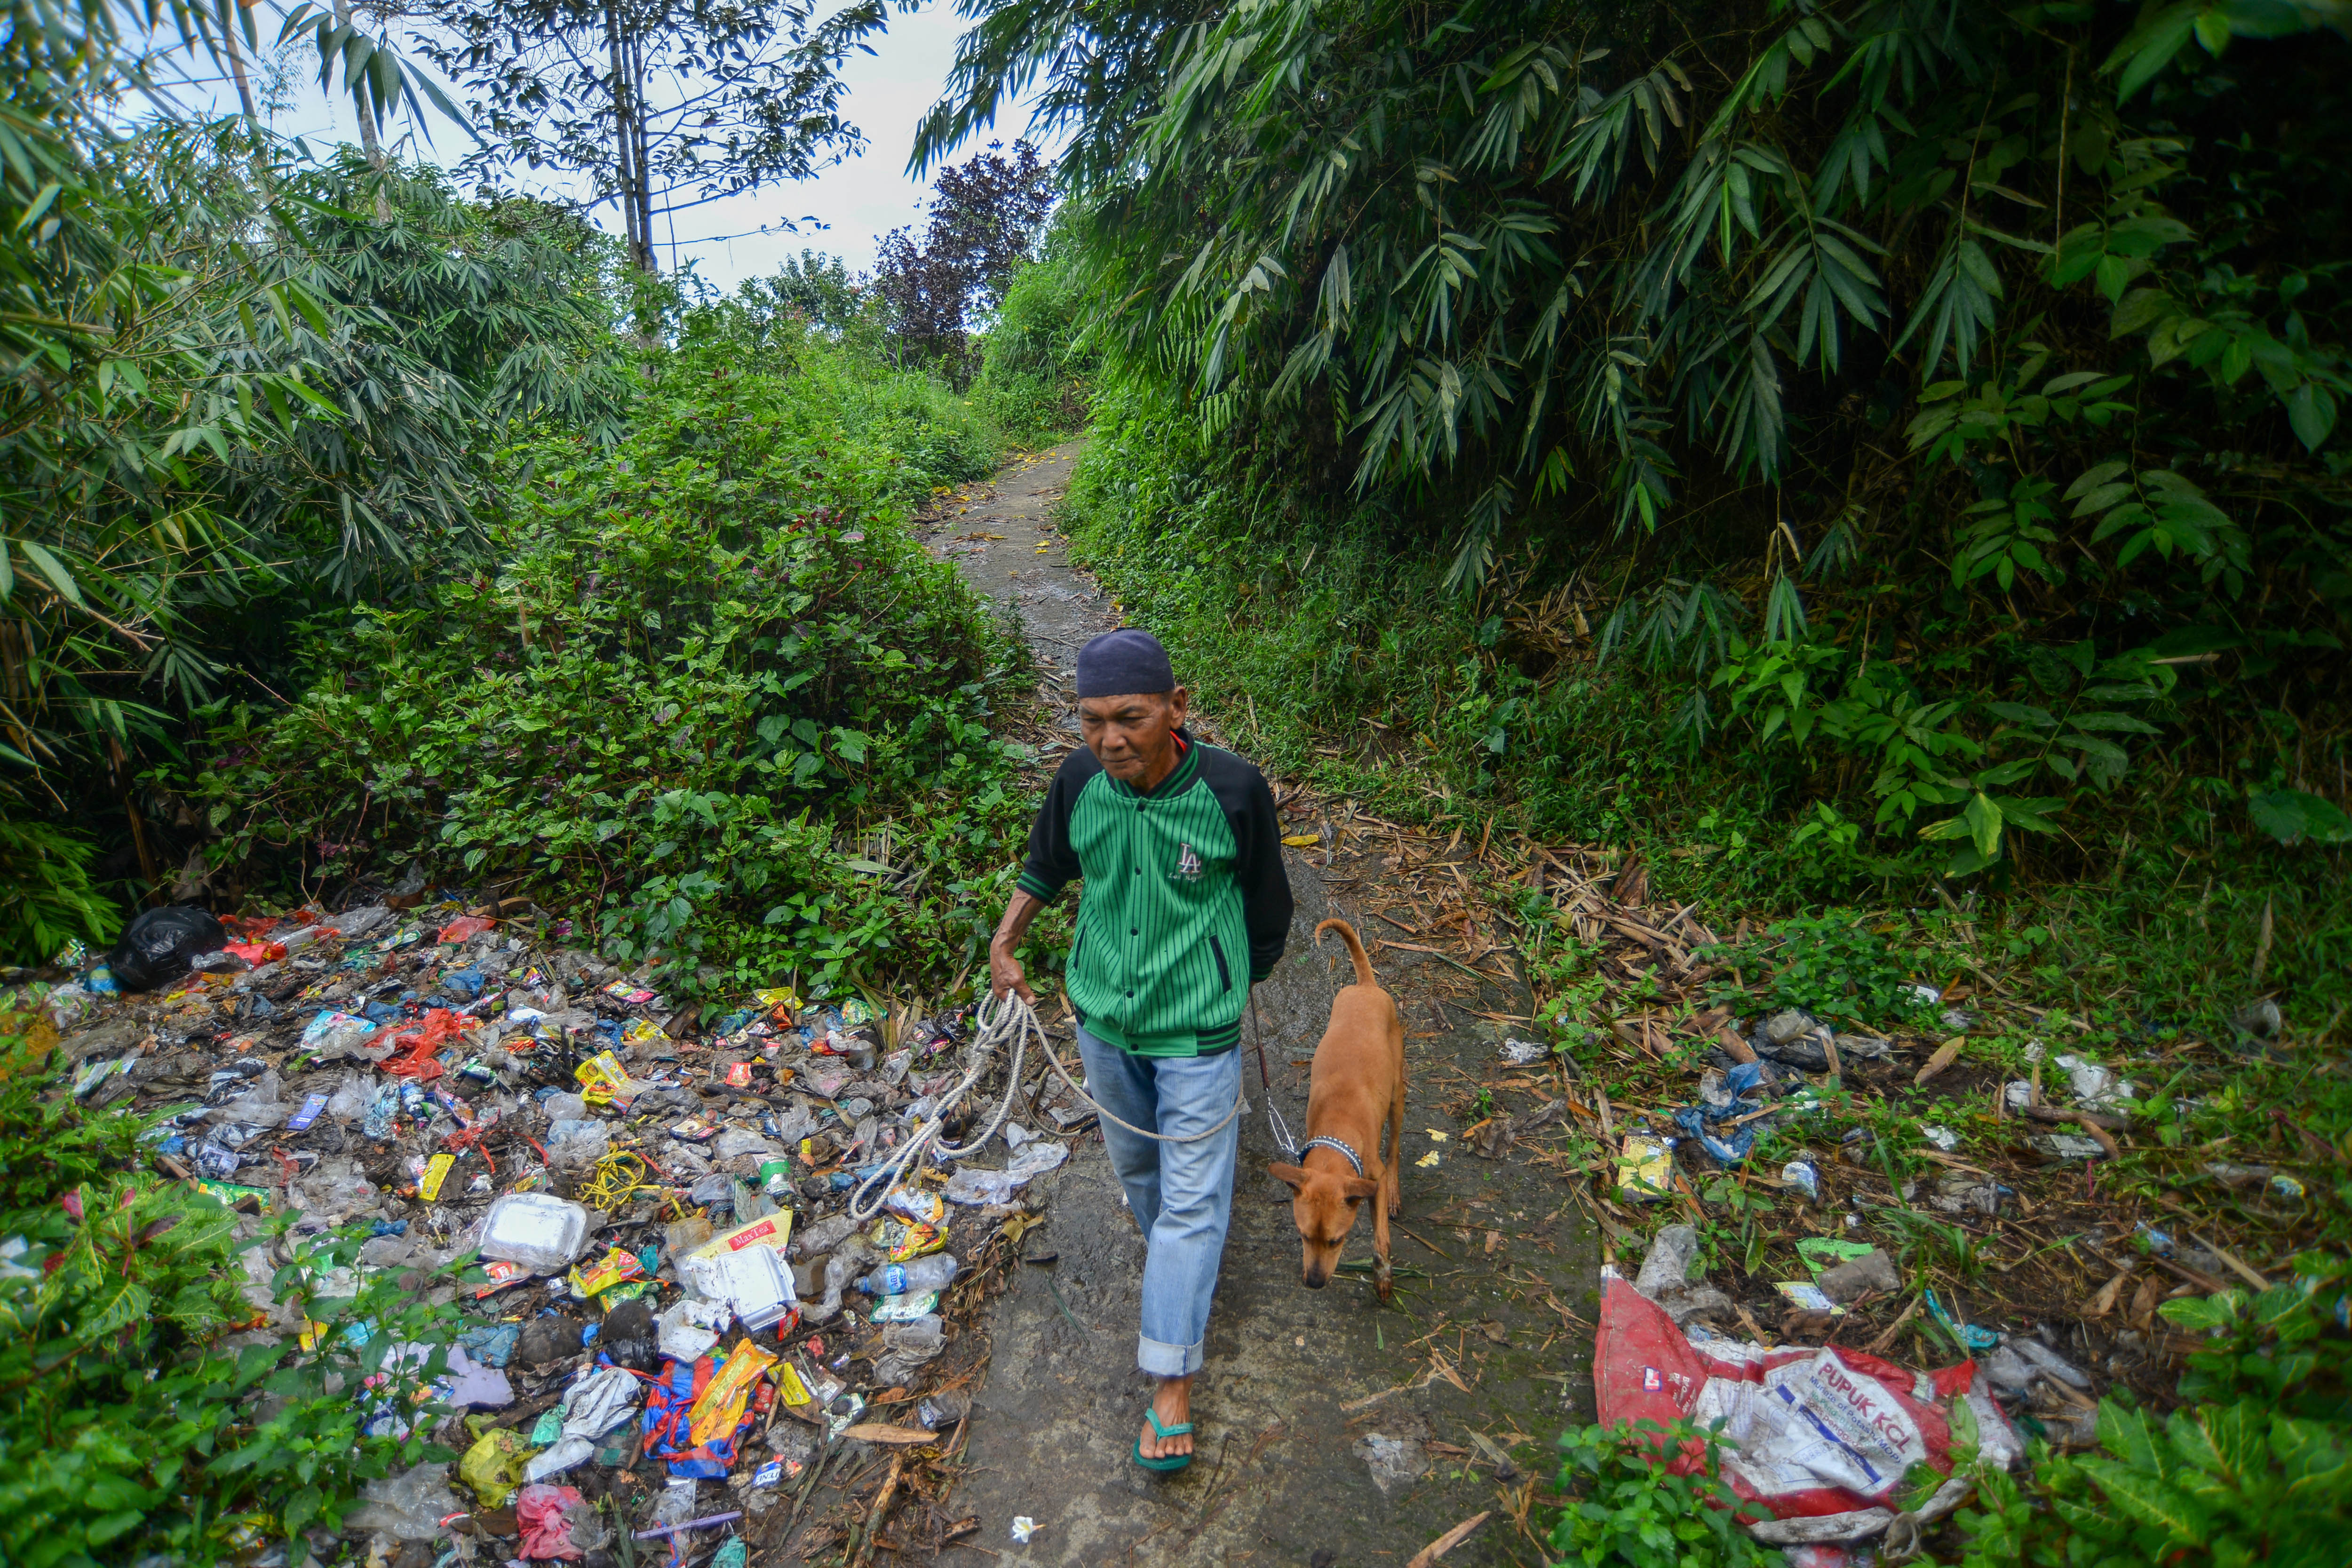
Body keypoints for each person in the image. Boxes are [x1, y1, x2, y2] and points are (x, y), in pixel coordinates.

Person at [989, 629, 1293, 1472]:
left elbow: (1270, 911)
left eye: (1131, 717)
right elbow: (1046, 864)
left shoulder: (1233, 790)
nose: (1111, 739)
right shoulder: (1082, 778)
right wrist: (1006, 937)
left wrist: (1230, 981)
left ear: (1176, 708)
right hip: (1101, 1022)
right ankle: (1183, 1281)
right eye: (1093, 720)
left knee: (1193, 1202)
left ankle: (1170, 1386)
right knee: (1142, 1176)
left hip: (1196, 1032)